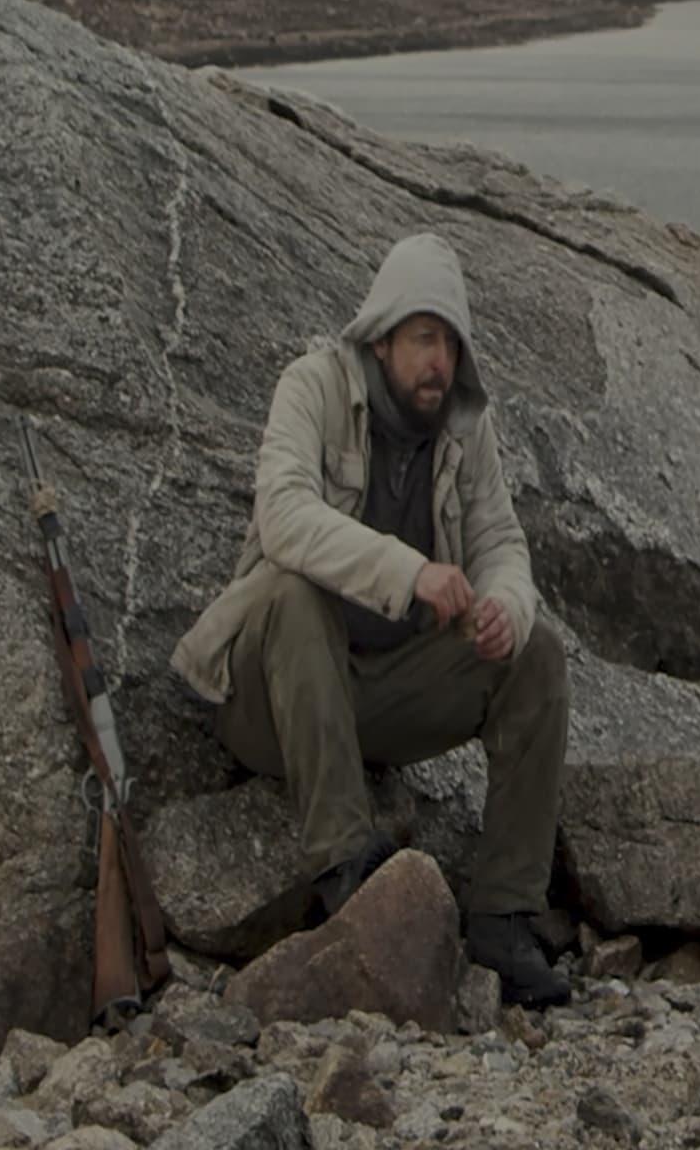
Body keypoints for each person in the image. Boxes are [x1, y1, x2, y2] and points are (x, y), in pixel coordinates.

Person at [170, 232, 572, 1007]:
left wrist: (505, 610)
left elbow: (500, 541)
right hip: (273, 704)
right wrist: (409, 572)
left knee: (537, 655)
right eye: (424, 339)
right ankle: (348, 873)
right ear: (383, 336)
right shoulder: (314, 387)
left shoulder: (464, 423)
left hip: (379, 700)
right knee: (292, 593)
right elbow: (283, 517)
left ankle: (503, 914)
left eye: (451, 344)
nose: (439, 363)